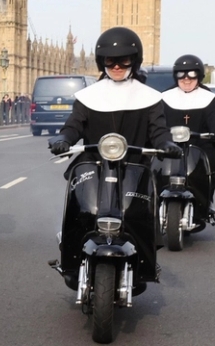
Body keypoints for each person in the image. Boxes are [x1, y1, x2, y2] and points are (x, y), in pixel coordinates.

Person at [45, 26, 182, 292]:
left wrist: (166, 144)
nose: (117, 66)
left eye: (124, 60)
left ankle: (144, 264)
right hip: (94, 167)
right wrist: (63, 139)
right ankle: (70, 259)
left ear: (134, 61)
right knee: (81, 211)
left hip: (133, 169)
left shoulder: (149, 98)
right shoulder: (88, 96)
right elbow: (74, 124)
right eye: (111, 61)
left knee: (138, 216)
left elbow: (158, 130)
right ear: (102, 62)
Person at [160, 54, 215, 219]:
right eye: (181, 75)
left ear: (199, 76)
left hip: (199, 147)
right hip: (171, 147)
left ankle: (207, 198)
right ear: (175, 76)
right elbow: (157, 123)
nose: (186, 79)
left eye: (191, 74)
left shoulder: (209, 98)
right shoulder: (165, 97)